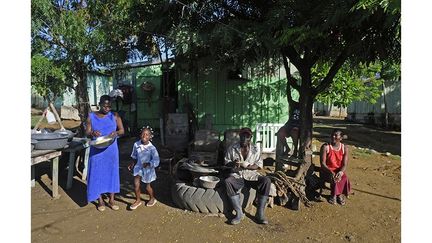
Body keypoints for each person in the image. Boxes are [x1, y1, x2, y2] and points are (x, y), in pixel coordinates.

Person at [224, 127, 271, 225]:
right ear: (239, 136)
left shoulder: (255, 149)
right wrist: (234, 163)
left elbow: (259, 165)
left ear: (251, 137)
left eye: (247, 136)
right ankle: (239, 213)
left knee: (266, 180)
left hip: (251, 176)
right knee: (228, 181)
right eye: (243, 136)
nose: (245, 139)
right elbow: (226, 162)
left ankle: (260, 214)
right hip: (238, 175)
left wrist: (249, 166)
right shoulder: (232, 148)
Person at [86, 95, 125, 211]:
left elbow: (122, 130)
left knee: (112, 173)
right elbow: (87, 132)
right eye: (105, 106)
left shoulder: (115, 116)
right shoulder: (91, 116)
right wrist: (92, 133)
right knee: (97, 173)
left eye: (109, 106)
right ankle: (100, 201)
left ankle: (112, 200)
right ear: (99, 104)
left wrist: (116, 133)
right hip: (97, 150)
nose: (107, 108)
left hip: (111, 150)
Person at [128, 126, 160, 210]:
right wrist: (132, 164)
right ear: (140, 135)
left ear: (150, 137)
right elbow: (134, 156)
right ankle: (138, 200)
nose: (144, 136)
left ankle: (152, 198)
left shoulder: (152, 148)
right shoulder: (136, 144)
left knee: (147, 187)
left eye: (147, 135)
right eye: (143, 134)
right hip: (138, 167)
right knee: (136, 185)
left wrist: (149, 163)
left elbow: (156, 160)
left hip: (148, 170)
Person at [317, 129, 351, 205]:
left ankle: (338, 195)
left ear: (341, 138)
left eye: (336, 135)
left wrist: (341, 172)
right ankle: (334, 195)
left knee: (344, 178)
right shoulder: (325, 147)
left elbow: (344, 164)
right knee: (334, 178)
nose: (333, 136)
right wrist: (331, 172)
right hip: (326, 170)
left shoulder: (344, 148)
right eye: (332, 134)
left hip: (338, 170)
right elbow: (322, 163)